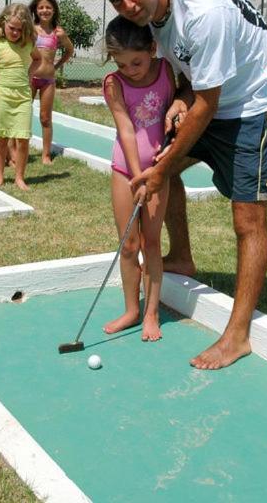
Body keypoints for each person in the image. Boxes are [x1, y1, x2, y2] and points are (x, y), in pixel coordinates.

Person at [95, 0, 267, 370]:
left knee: (248, 217)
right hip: (213, 98)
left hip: (255, 103)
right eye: (116, 0)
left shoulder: (202, 14)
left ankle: (237, 336)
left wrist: (161, 166)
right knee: (166, 166)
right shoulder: (153, 21)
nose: (127, 5)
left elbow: (209, 101)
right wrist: (179, 99)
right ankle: (181, 254)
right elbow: (190, 82)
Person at [102, 17, 175, 342]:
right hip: (126, 170)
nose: (131, 69)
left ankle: (151, 313)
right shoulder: (113, 83)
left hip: (158, 171)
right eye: (122, 63)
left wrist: (153, 174)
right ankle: (132, 309)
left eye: (137, 61)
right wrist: (136, 177)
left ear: (152, 49)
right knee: (129, 245)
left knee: (152, 243)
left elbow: (176, 110)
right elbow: (126, 129)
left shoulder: (166, 71)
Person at [0, 4, 36, 189]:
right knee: (1, 138)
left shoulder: (28, 45)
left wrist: (30, 74)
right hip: (2, 96)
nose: (15, 32)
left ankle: (19, 177)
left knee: (22, 139)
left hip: (22, 98)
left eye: (19, 30)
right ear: (3, 24)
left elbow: (38, 60)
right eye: (11, 28)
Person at [28, 0, 75, 164]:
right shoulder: (30, 30)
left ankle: (46, 154)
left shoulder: (58, 33)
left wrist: (56, 66)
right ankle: (17, 151)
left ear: (54, 10)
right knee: (23, 115)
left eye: (48, 7)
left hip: (48, 81)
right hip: (30, 79)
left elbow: (70, 50)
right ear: (35, 10)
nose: (44, 10)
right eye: (41, 7)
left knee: (45, 117)